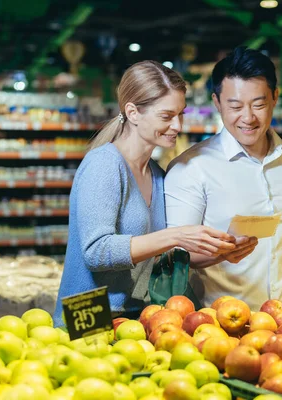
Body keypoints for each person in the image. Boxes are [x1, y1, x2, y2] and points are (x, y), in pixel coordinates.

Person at [53, 61, 239, 327]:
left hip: (137, 317)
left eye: (181, 114)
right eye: (166, 116)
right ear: (133, 112)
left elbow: (156, 254)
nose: (177, 125)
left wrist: (219, 252)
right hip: (89, 318)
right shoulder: (104, 165)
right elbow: (96, 251)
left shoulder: (157, 174)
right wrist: (174, 235)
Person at [165, 47, 282, 311]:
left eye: (259, 104)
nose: (248, 118)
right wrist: (221, 251)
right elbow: (176, 253)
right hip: (221, 325)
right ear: (217, 103)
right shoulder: (191, 168)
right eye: (235, 106)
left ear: (275, 98)